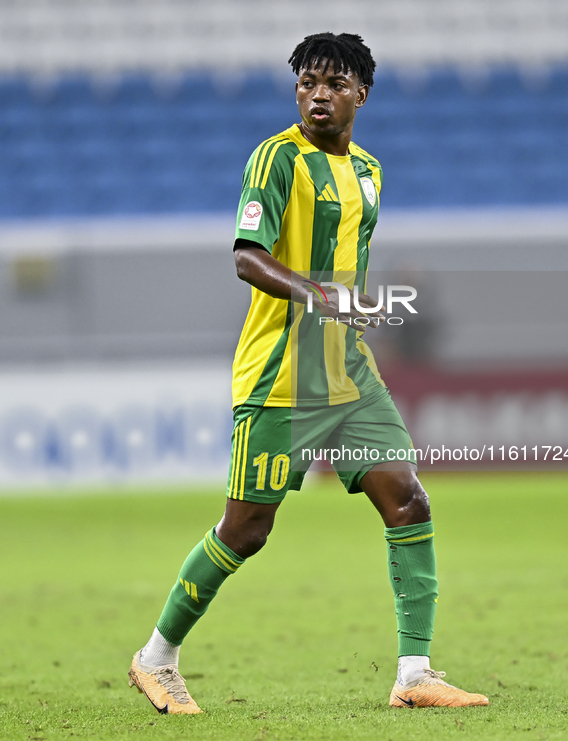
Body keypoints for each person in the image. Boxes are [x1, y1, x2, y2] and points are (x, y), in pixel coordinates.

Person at [128, 32, 488, 714]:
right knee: (246, 529)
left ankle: (414, 672)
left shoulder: (371, 172)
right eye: (305, 83)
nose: (316, 94)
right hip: (279, 376)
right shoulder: (274, 158)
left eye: (332, 83)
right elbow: (245, 256)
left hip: (348, 374)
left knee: (407, 499)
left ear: (361, 94)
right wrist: (320, 295)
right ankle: (155, 657)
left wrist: (356, 308)